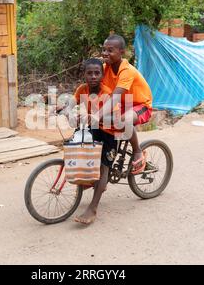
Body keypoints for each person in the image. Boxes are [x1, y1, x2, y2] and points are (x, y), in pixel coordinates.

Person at [58, 58, 116, 225]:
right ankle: (89, 179)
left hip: (109, 132)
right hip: (91, 129)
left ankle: (93, 208)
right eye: (89, 73)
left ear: (102, 75)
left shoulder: (107, 93)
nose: (93, 76)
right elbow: (71, 104)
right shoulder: (82, 89)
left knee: (104, 168)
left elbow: (116, 117)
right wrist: (67, 112)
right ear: (84, 75)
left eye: (97, 73)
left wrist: (96, 117)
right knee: (76, 147)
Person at [99, 34, 153, 174]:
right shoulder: (105, 68)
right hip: (123, 104)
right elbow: (89, 88)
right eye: (104, 50)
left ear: (121, 52)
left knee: (123, 121)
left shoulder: (126, 70)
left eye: (110, 50)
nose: (105, 53)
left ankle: (137, 151)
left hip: (140, 105)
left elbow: (115, 98)